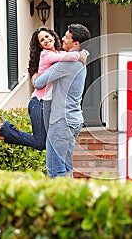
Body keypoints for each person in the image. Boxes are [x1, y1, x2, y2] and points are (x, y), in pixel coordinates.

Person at [0, 26, 88, 150]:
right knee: (41, 143)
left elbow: (66, 56)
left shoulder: (60, 54)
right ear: (40, 45)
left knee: (44, 142)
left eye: (47, 36)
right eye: (42, 40)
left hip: (46, 104)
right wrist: (81, 54)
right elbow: (69, 57)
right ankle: (4, 129)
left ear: (53, 36)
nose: (46, 40)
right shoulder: (47, 54)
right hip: (39, 103)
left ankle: (1, 133)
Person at [33, 23, 91, 178]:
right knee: (66, 168)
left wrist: (35, 75)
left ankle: (60, 201)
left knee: (55, 170)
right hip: (74, 120)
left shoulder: (67, 63)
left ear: (76, 43)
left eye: (66, 37)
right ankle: (71, 199)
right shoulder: (79, 60)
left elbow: (39, 82)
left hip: (61, 121)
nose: (63, 39)